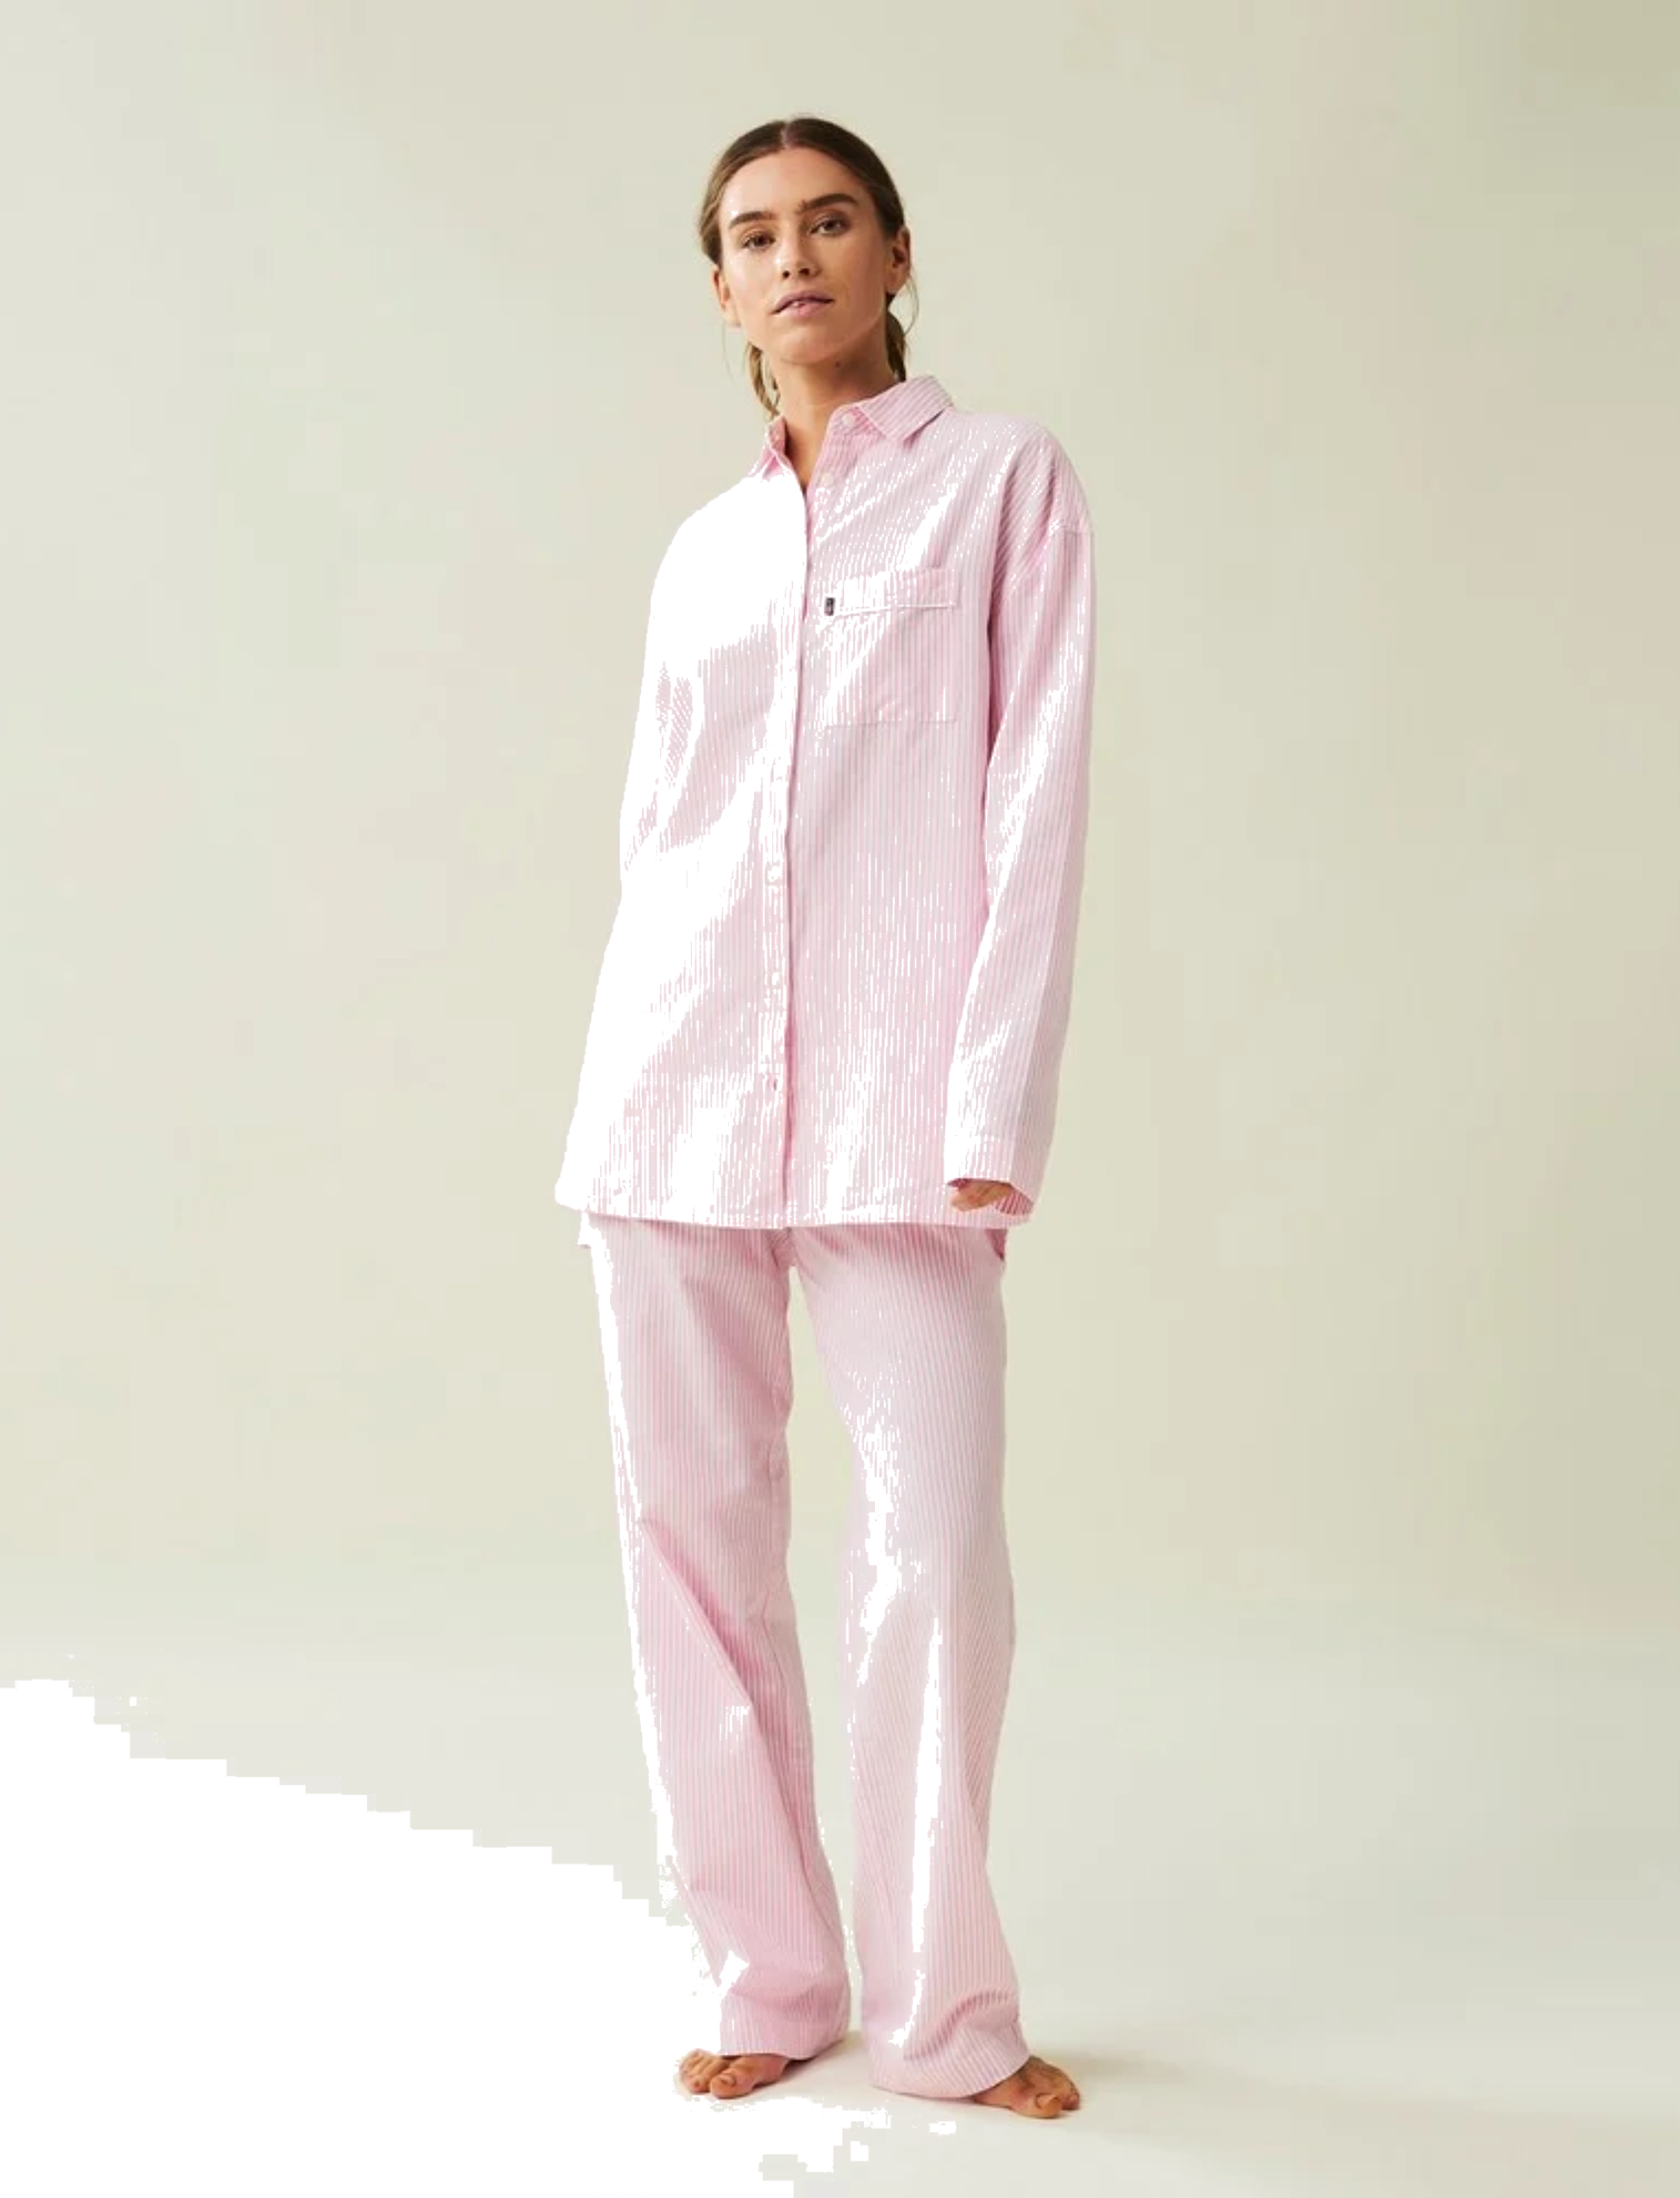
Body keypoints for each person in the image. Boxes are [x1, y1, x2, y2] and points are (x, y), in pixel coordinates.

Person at [557, 115, 1093, 2119]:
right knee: (688, 1553)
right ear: (721, 287)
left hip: (901, 1118)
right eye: (755, 235)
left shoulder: (1001, 483)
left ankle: (947, 2012)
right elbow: (663, 843)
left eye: (831, 221)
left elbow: (1036, 794)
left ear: (894, 253)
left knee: (933, 1547)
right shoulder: (705, 551)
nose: (795, 259)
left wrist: (991, 1100)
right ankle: (770, 1976)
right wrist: (617, 1100)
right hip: (675, 1111)